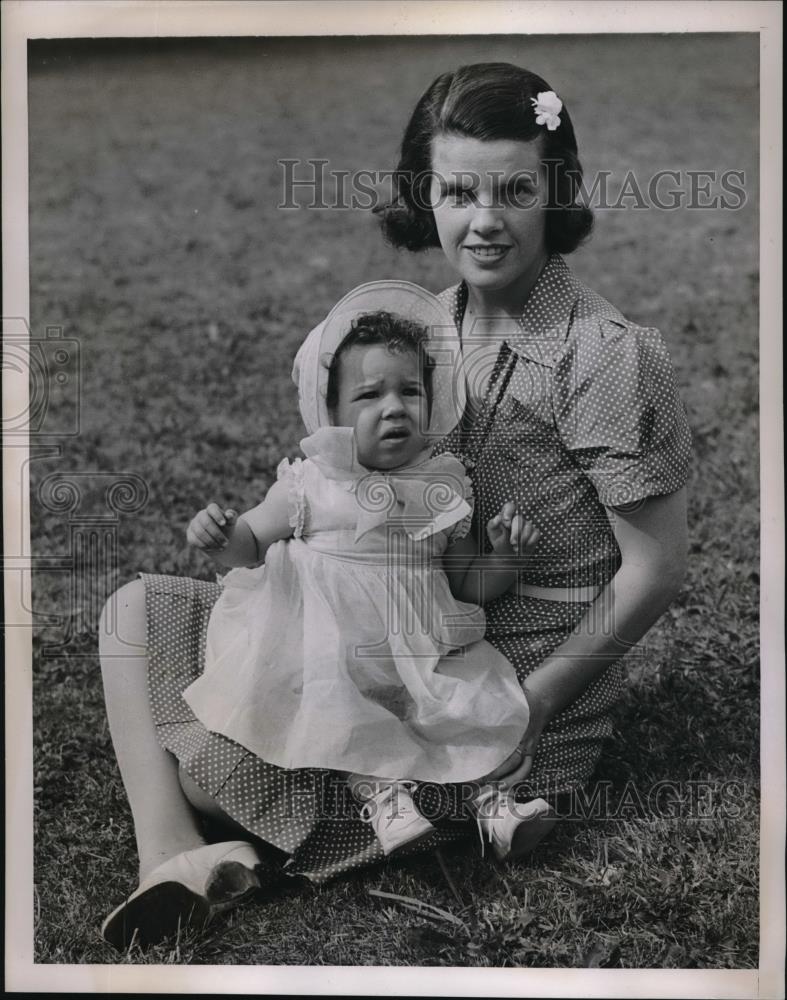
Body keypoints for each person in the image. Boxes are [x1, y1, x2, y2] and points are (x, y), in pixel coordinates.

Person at [98, 61, 691, 951]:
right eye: (457, 190)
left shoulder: (605, 356)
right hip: (384, 633)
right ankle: (171, 858)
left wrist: (528, 704)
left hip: (503, 680)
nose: (483, 220)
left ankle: (380, 804)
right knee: (133, 614)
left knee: (215, 766)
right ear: (425, 193)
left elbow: (653, 570)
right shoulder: (425, 325)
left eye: (514, 190)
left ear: (555, 191)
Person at [182, 287, 546, 856]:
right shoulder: (313, 482)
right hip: (328, 644)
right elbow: (251, 543)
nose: (394, 407)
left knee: (466, 706)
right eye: (370, 395)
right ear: (333, 413)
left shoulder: (445, 482)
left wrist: (503, 558)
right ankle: (384, 799)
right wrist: (221, 535)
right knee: (342, 710)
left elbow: (464, 584)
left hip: (417, 647)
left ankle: (497, 809)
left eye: (410, 391)